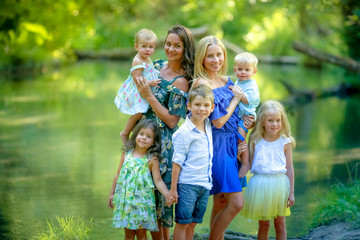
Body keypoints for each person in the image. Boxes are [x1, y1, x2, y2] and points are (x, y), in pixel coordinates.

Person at [134, 24, 195, 240]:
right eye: (168, 44)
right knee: (143, 197)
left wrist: (149, 96)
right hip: (142, 138)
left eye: (176, 46)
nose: (170, 49)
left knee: (159, 204)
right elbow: (135, 88)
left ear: (185, 49)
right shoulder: (156, 65)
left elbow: (171, 121)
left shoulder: (181, 81)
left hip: (162, 144)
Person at [192, 36, 254, 240]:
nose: (215, 59)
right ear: (202, 58)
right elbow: (217, 122)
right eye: (210, 56)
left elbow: (242, 111)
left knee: (220, 199)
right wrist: (235, 100)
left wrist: (246, 123)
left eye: (219, 54)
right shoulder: (202, 83)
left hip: (233, 143)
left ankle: (217, 237)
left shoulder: (229, 81)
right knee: (236, 203)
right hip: (216, 145)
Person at [108, 119, 173, 240]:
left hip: (143, 204)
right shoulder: (126, 153)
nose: (143, 138)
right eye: (141, 134)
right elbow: (118, 175)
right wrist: (112, 194)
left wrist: (167, 194)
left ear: (153, 142)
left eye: (149, 136)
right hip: (126, 201)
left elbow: (158, 181)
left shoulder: (152, 159)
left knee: (142, 234)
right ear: (135, 134)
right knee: (128, 234)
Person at [241, 100, 296, 240]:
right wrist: (239, 155)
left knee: (280, 223)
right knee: (264, 224)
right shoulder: (255, 140)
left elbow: (289, 168)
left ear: (283, 121)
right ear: (262, 122)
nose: (275, 124)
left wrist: (291, 193)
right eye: (270, 120)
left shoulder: (285, 141)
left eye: (278, 120)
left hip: (280, 184)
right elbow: (249, 164)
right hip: (260, 185)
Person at [169, 85, 215, 240]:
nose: (202, 109)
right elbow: (177, 162)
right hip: (187, 184)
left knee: (193, 223)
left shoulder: (208, 125)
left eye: (206, 105)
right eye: (197, 105)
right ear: (188, 106)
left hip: (204, 184)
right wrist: (173, 190)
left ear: (212, 107)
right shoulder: (184, 132)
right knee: (183, 223)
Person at [114, 28, 161, 143]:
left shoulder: (146, 58)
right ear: (136, 47)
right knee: (138, 113)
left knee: (143, 113)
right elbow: (137, 80)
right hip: (137, 91)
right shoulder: (137, 60)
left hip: (144, 88)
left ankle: (136, 133)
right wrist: (150, 83)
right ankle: (125, 133)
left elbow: (149, 71)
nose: (147, 50)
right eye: (144, 46)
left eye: (151, 47)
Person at [233, 52, 260, 177]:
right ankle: (240, 157)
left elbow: (248, 100)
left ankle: (245, 164)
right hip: (239, 116)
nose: (243, 72)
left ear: (254, 71)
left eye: (247, 70)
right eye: (240, 69)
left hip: (247, 116)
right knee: (238, 138)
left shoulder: (252, 85)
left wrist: (236, 93)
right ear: (235, 69)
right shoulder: (238, 82)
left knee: (241, 137)